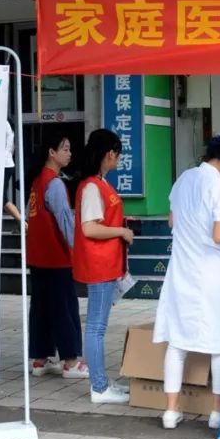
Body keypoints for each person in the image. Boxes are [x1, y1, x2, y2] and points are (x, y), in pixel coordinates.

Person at [155, 134, 220, 430]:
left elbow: (172, 221)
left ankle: (170, 411)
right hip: (214, 274)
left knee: (178, 343)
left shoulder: (184, 179)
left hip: (182, 270)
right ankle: (217, 413)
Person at [73, 129, 135, 404]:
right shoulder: (91, 186)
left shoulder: (98, 184)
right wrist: (120, 232)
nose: (118, 160)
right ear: (110, 153)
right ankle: (99, 387)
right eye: (117, 155)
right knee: (96, 328)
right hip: (99, 265)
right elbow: (89, 228)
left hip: (107, 264)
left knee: (98, 327)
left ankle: (102, 383)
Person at [27, 133, 88, 380]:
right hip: (55, 257)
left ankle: (40, 360)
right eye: (65, 148)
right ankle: (71, 362)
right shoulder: (54, 184)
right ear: (51, 153)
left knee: (41, 309)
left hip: (38, 257)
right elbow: (65, 221)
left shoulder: (37, 182)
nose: (69, 153)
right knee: (64, 308)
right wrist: (80, 249)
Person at [3, 119, 25, 226]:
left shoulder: (4, 123)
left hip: (4, 164)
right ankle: (22, 222)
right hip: (6, 163)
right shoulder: (8, 125)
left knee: (2, 199)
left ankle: (23, 223)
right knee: (2, 199)